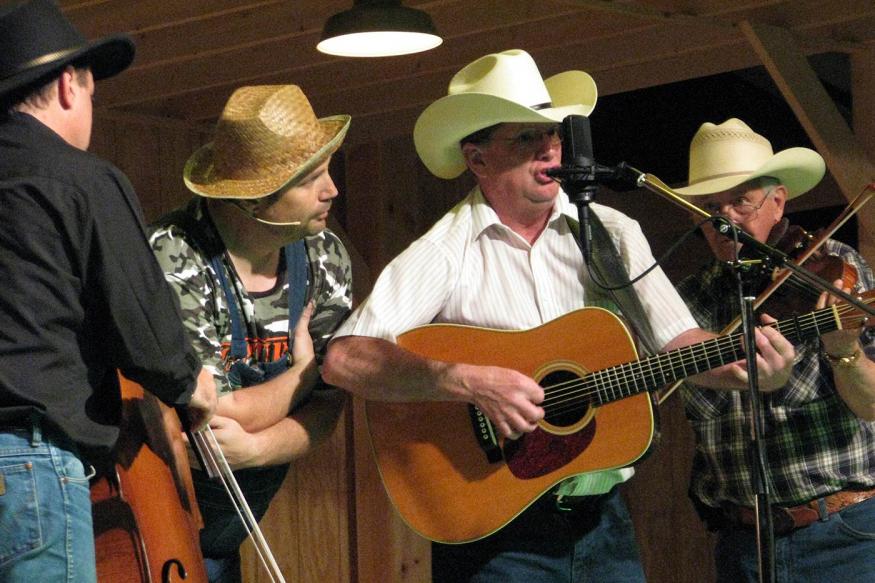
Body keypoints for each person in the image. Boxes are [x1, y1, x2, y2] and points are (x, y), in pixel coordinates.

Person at [322, 49, 796, 582]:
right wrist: (464, 380)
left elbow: (676, 342)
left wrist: (747, 367)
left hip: (603, 520)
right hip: (493, 523)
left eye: (552, 133)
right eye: (526, 137)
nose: (549, 147)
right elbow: (344, 359)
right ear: (477, 159)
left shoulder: (611, 233)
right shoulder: (445, 250)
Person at [0, 1, 217, 581]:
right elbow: (144, 332)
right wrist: (191, 382)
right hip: (25, 467)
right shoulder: (82, 179)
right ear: (70, 86)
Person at [149, 84, 353, 582]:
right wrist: (306, 373)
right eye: (311, 179)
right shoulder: (174, 256)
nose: (332, 190)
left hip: (229, 535)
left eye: (328, 170)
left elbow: (331, 404)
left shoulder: (326, 257)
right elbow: (212, 415)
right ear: (252, 197)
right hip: (154, 535)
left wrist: (259, 449)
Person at [673, 118, 875, 583]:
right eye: (709, 206)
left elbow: (870, 405)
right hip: (742, 545)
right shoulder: (688, 303)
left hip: (844, 536)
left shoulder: (831, 270)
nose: (725, 220)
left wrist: (843, 351)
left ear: (777, 200)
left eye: (740, 200)